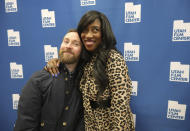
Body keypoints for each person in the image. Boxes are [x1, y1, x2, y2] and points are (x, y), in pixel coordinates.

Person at [46, 10, 135, 130]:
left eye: (95, 30)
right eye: (85, 30)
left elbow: (121, 106)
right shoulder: (86, 60)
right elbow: (68, 61)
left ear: (103, 33)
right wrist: (54, 62)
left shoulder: (113, 58)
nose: (88, 35)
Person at [14, 29, 85, 131]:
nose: (68, 46)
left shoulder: (87, 82)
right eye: (66, 41)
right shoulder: (39, 80)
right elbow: (25, 125)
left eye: (76, 44)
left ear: (83, 51)